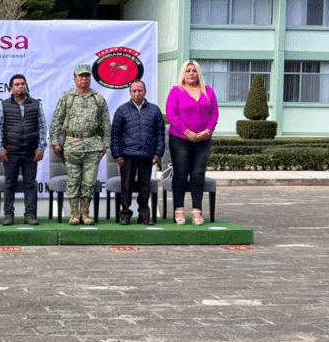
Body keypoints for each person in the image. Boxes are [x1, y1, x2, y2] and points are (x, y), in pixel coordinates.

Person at [49, 64, 111, 225]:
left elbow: (106, 123)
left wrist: (106, 143)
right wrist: (55, 142)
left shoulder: (98, 98)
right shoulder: (67, 97)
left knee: (89, 182)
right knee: (74, 180)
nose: (84, 79)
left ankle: (86, 214)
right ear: (75, 78)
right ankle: (74, 214)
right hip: (72, 145)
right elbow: (57, 120)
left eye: (87, 76)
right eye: (81, 76)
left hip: (92, 145)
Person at [165, 60, 219, 225]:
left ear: (198, 73)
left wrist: (207, 131)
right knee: (181, 174)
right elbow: (171, 114)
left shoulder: (208, 91)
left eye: (194, 70)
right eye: (188, 70)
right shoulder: (176, 91)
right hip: (180, 139)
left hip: (203, 140)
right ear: (183, 73)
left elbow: (214, 114)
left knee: (198, 174)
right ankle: (179, 209)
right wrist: (187, 132)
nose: (191, 73)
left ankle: (197, 210)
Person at [0, 74, 47, 226]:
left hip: (31, 153)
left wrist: (41, 147)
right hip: (11, 153)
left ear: (26, 86)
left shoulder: (36, 104)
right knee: (10, 184)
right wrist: (0, 148)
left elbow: (42, 127)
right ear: (11, 88)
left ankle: (30, 215)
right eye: (17, 84)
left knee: (30, 185)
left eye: (23, 83)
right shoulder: (4, 105)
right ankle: (8, 216)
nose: (21, 86)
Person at [110, 80, 166, 225]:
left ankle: (144, 215)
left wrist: (158, 153)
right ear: (130, 93)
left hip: (147, 155)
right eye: (134, 91)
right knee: (126, 186)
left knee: (145, 186)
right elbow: (114, 135)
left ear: (145, 92)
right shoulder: (121, 110)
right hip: (127, 155)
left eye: (140, 90)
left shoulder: (154, 110)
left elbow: (160, 133)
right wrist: (117, 155)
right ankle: (125, 215)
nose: (137, 93)